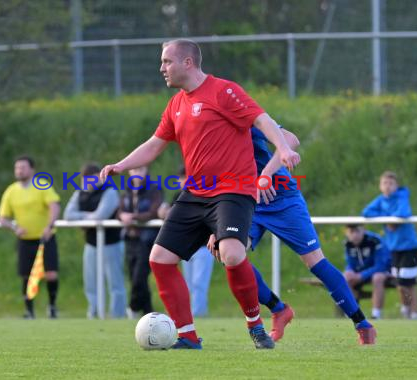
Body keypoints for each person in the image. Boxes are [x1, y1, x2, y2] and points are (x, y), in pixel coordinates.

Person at [100, 39, 300, 349]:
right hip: (196, 192)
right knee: (160, 259)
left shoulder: (224, 91)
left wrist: (283, 147)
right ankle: (188, 335)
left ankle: (254, 324)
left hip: (233, 190)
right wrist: (121, 165)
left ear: (188, 63)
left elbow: (261, 119)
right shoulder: (176, 104)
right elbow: (154, 145)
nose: (161, 68)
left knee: (232, 253)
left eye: (167, 61)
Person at [209, 125, 377, 345]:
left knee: (315, 262)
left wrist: (266, 175)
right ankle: (279, 309)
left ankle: (362, 324)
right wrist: (217, 226)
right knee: (228, 253)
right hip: (247, 202)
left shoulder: (241, 115)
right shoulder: (203, 129)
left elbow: (290, 139)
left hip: (282, 198)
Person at [0, 156, 61, 319]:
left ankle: (52, 307)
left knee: (51, 274)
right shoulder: (11, 191)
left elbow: (54, 206)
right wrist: (14, 227)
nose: (19, 170)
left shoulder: (42, 186)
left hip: (45, 238)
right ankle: (29, 311)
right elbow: (3, 218)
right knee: (26, 275)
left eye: (23, 167)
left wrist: (49, 225)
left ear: (32, 169)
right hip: (25, 240)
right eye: (17, 168)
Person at [63, 163, 127, 319]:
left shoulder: (110, 192)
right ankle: (94, 313)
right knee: (91, 282)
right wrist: (87, 216)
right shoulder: (80, 193)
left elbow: (100, 216)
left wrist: (83, 216)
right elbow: (68, 215)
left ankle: (117, 315)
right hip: (91, 244)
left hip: (111, 243)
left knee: (115, 282)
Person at [363, 171, 417, 319]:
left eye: (391, 183)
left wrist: (391, 220)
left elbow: (403, 212)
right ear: (380, 186)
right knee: (399, 283)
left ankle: (414, 313)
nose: (388, 186)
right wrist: (386, 219)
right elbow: (366, 212)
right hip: (394, 248)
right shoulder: (381, 200)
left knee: (408, 283)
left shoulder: (402, 196)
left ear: (396, 185)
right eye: (384, 183)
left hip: (409, 247)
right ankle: (405, 310)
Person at [158, 166, 214, 317]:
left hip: (202, 248)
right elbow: (167, 214)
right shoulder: (179, 195)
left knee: (199, 284)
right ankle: (188, 315)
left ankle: (198, 314)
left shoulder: (204, 193)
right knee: (188, 284)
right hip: (186, 249)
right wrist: (163, 212)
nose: (184, 181)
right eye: (182, 178)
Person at [119, 166, 163, 318]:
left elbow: (153, 212)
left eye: (141, 170)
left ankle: (132, 307)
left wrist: (134, 217)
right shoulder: (127, 190)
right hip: (130, 240)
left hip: (147, 239)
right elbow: (119, 210)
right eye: (134, 170)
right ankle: (148, 313)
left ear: (146, 171)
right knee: (135, 278)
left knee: (139, 276)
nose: (137, 173)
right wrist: (122, 216)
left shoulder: (154, 189)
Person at [343, 224, 391, 319]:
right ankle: (353, 313)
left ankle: (376, 314)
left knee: (377, 278)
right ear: (347, 233)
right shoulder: (347, 244)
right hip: (361, 273)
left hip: (383, 271)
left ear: (364, 230)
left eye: (357, 231)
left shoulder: (375, 241)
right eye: (351, 232)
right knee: (345, 278)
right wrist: (349, 271)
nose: (354, 235)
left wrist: (361, 275)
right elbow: (350, 263)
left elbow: (381, 266)